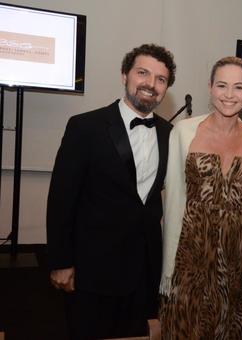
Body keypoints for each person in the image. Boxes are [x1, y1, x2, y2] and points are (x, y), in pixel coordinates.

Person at [47, 43, 175, 339]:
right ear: (124, 75)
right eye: (143, 73)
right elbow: (62, 198)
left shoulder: (171, 134)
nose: (150, 84)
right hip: (93, 270)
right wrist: (61, 262)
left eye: (160, 79)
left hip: (144, 272)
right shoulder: (85, 127)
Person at [159, 56, 242, 339]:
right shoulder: (184, 131)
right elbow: (174, 196)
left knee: (229, 328)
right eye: (222, 85)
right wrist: (168, 264)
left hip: (237, 257)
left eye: (238, 87)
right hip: (190, 251)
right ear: (210, 87)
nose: (229, 95)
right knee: (184, 326)